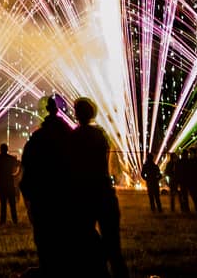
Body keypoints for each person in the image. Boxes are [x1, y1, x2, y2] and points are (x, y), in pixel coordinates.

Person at [72, 96, 129, 278]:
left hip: (85, 193)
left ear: (78, 114)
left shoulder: (75, 136)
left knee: (85, 239)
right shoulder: (100, 135)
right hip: (104, 191)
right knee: (114, 245)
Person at [20, 96, 76, 273]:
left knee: (44, 238)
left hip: (42, 196)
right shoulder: (71, 137)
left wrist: (27, 191)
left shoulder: (37, 138)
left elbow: (27, 165)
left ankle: (47, 268)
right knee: (67, 236)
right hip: (67, 196)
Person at [0, 144, 19, 224]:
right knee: (12, 204)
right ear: (7, 149)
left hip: (1, 182)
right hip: (10, 182)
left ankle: (3, 221)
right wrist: (16, 174)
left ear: (0, 149)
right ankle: (15, 220)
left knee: (3, 204)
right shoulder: (11, 158)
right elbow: (20, 165)